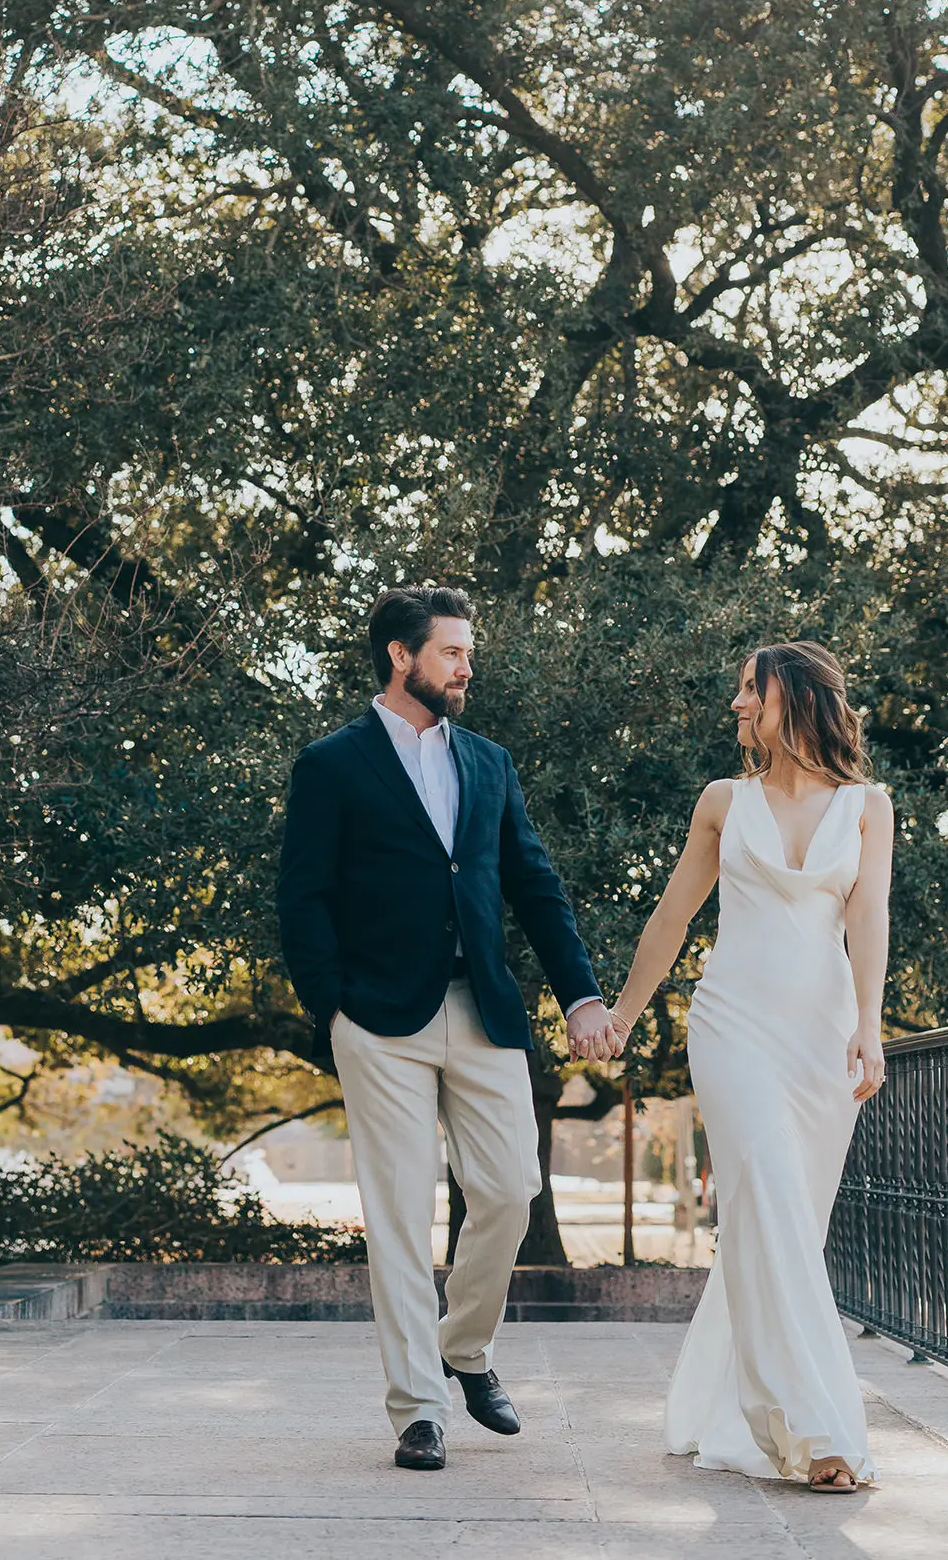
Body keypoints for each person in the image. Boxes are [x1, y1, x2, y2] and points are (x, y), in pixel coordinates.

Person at [276, 585, 621, 1471]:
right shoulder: (332, 763)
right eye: (453, 652)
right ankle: (418, 1409)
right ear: (402, 654)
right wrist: (333, 1006)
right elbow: (303, 896)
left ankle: (463, 1347)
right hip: (378, 1019)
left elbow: (534, 886)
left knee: (510, 1188)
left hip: (485, 1009)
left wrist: (580, 994)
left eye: (468, 652)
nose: (468, 666)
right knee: (397, 1214)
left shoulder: (489, 761)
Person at [607, 641, 894, 1494]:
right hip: (731, 1026)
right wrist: (623, 1011)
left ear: (793, 697)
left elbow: (867, 919)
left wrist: (870, 1027)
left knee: (785, 1230)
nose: (735, 705)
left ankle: (720, 1402)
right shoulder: (722, 803)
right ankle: (815, 1430)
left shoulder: (868, 806)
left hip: (822, 1040)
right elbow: (669, 920)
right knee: (766, 1198)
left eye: (748, 690)